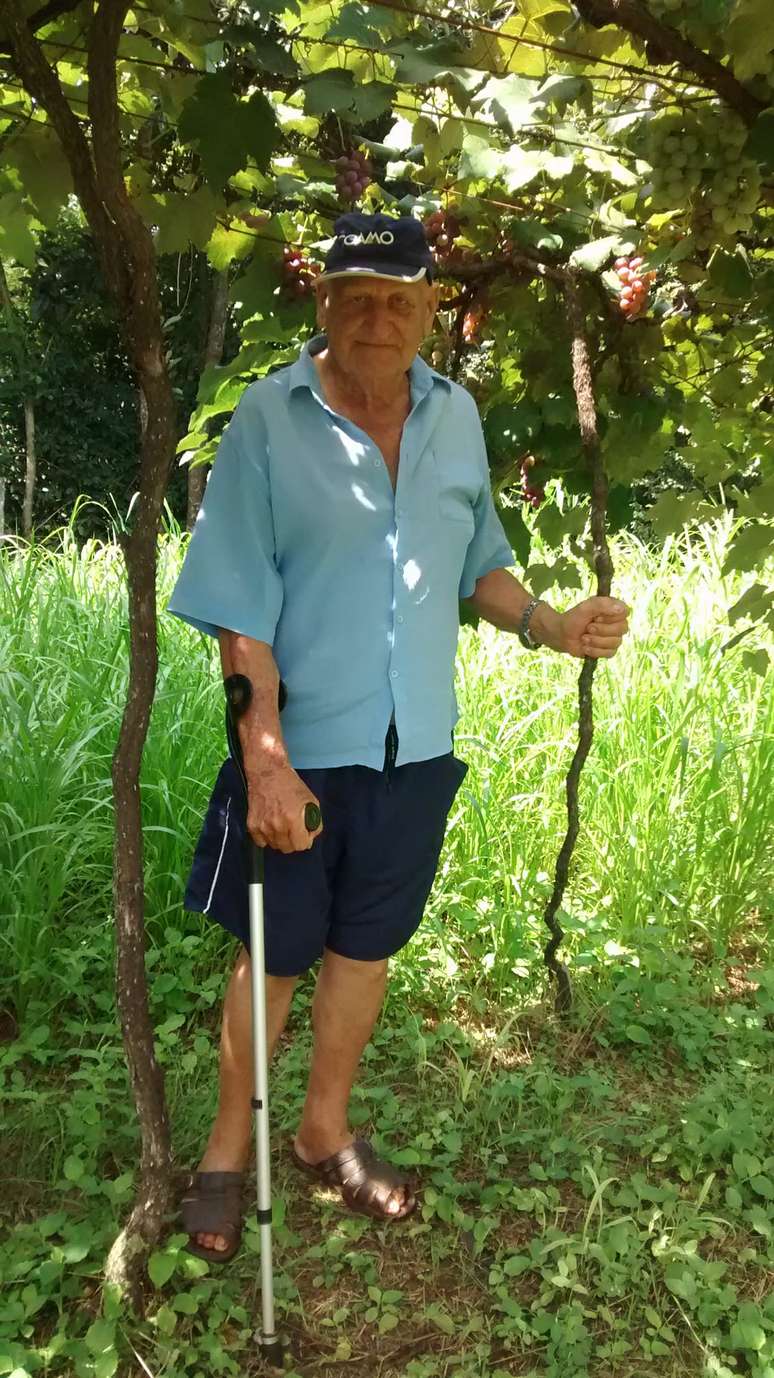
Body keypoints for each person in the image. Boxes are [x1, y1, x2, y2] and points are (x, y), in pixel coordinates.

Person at [168, 212, 630, 1261]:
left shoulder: (455, 416)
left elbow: (479, 563)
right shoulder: (268, 420)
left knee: (363, 951)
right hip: (302, 744)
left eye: (401, 298)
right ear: (321, 302)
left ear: (431, 313)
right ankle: (224, 1153)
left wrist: (551, 624)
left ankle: (324, 1129)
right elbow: (241, 603)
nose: (379, 316)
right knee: (273, 958)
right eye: (357, 294)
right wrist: (266, 758)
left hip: (417, 744)